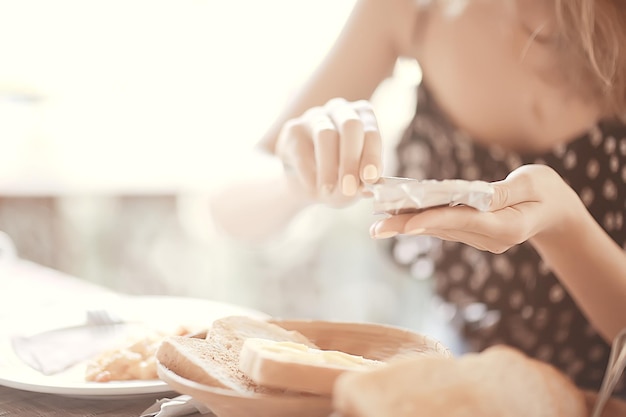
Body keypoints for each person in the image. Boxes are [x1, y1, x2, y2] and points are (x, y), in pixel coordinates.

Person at [210, 0, 626, 395]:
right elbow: (228, 206)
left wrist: (565, 227)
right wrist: (300, 175)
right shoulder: (415, 9)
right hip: (463, 386)